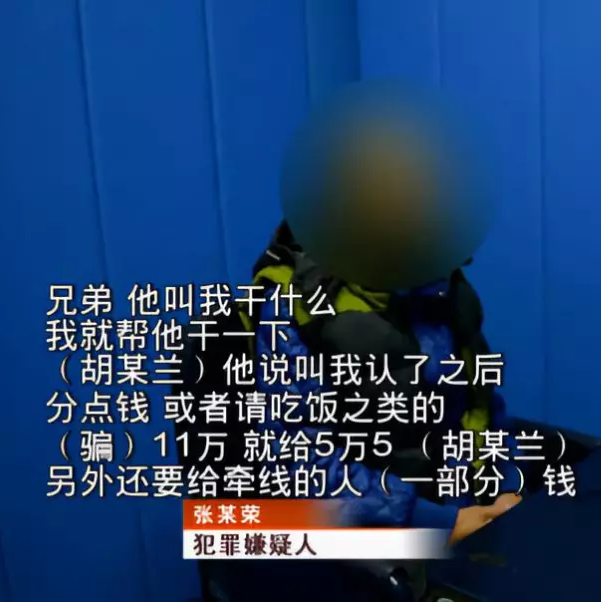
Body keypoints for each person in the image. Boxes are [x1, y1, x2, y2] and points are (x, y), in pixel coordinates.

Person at [187, 82, 523, 601]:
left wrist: (501, 490)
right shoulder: (295, 312)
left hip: (460, 529)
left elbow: (479, 408)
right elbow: (300, 464)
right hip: (359, 545)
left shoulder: (440, 289)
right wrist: (436, 525)